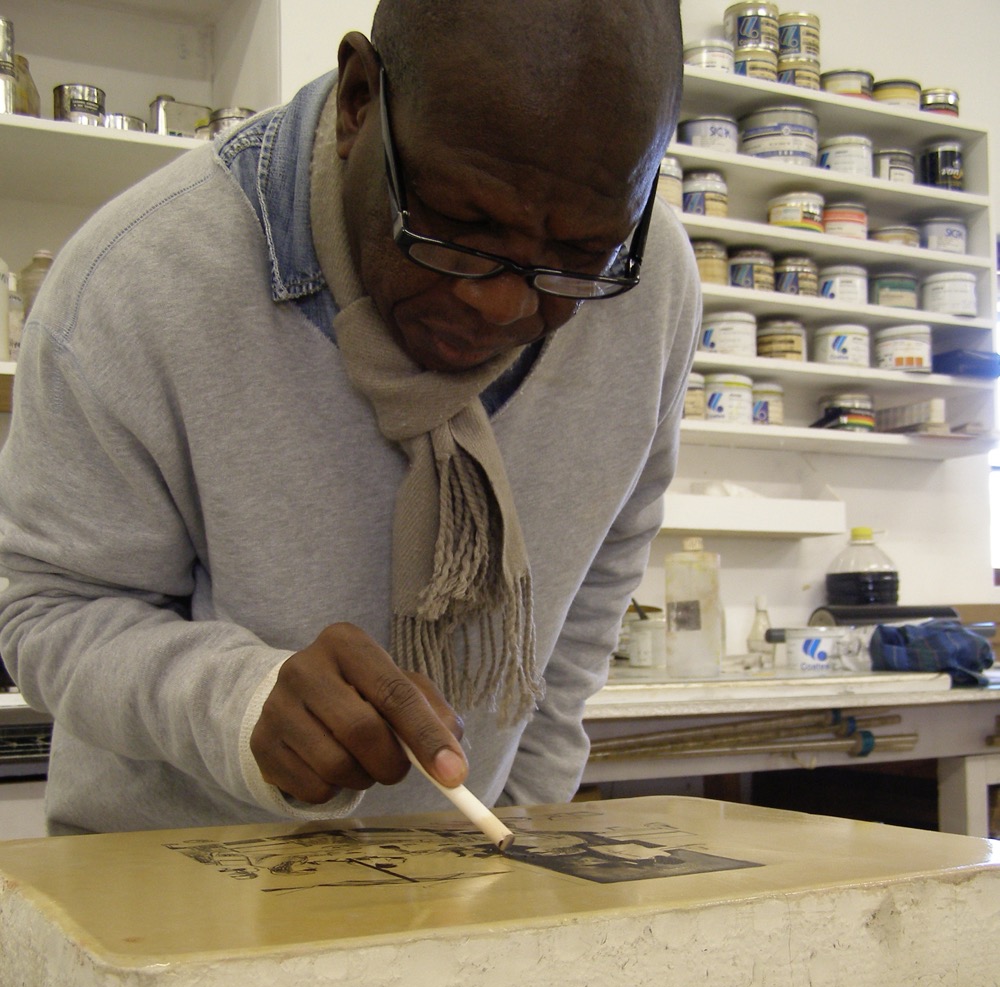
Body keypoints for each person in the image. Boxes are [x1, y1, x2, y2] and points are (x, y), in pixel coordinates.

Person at [0, 0, 700, 835]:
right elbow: (49, 611)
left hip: (457, 883)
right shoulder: (135, 283)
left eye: (577, 259)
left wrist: (523, 822)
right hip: (173, 887)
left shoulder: (648, 286)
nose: (508, 303)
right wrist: (243, 703)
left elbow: (594, 587)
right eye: (464, 230)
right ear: (358, 100)